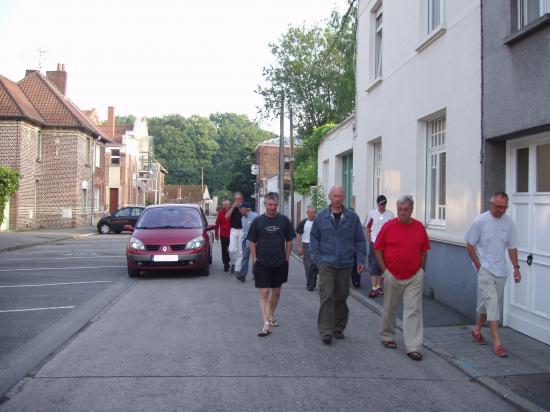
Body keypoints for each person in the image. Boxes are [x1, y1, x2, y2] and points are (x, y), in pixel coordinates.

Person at [465, 192, 521, 358]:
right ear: (491, 205)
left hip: (501, 271)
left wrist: (516, 268)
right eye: (498, 206)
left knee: (490, 304)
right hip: (485, 270)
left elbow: (512, 247)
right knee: (493, 304)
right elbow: (470, 244)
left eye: (504, 207)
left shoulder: (509, 222)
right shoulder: (480, 221)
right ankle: (498, 344)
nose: (501, 210)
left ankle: (476, 330)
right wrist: (478, 265)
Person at [374, 195, 430, 361]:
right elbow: (378, 249)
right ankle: (387, 336)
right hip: (392, 274)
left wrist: (421, 269)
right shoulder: (388, 227)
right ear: (397, 209)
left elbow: (424, 249)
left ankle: (413, 347)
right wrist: (385, 271)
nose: (403, 213)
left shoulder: (419, 227)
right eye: (400, 209)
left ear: (412, 210)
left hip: (414, 276)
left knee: (413, 310)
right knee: (389, 307)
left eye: (406, 210)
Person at [310, 186, 366, 345]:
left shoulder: (352, 218)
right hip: (326, 263)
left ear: (344, 197)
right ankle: (326, 330)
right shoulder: (321, 217)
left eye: (340, 196)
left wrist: (361, 260)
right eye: (334, 196)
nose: (337, 199)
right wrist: (317, 260)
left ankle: (338, 327)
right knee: (327, 296)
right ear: (329, 197)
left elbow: (360, 240)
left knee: (341, 297)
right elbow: (314, 240)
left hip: (345, 263)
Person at [247, 192, 295, 337]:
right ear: (265, 204)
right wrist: (255, 259)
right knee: (264, 293)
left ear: (278, 205)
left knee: (276, 292)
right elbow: (251, 242)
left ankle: (271, 313)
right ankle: (266, 323)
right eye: (270, 205)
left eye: (275, 205)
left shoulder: (284, 221)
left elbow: (289, 240)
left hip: (279, 262)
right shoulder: (258, 221)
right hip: (262, 263)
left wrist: (286, 258)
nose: (273, 208)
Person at [364, 195, 394, 297]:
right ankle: (374, 288)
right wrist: (369, 240)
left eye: (384, 204)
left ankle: (379, 287)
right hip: (374, 242)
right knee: (373, 264)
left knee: (383, 265)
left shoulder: (390, 215)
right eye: (381, 204)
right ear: (377, 204)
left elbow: (392, 230)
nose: (383, 206)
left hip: (385, 244)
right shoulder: (372, 213)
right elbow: (367, 228)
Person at [296, 206, 319, 291]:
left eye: (314, 212)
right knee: (308, 265)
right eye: (312, 212)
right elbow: (298, 235)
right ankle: (310, 284)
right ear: (307, 213)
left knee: (316, 265)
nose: (314, 214)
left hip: (317, 246)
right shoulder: (303, 223)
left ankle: (313, 279)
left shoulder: (318, 222)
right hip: (307, 245)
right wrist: (299, 247)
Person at [237, 202, 258, 282]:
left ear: (246, 209)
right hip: (245, 240)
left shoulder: (255, 217)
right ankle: (242, 275)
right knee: (245, 257)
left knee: (255, 258)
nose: (240, 210)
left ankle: (256, 273)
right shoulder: (242, 218)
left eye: (241, 208)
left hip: (254, 241)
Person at [225, 192, 244, 276]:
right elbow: (226, 216)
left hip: (242, 230)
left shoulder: (244, 206)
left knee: (240, 251)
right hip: (234, 230)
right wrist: (233, 207)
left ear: (242, 199)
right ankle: (233, 263)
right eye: (235, 199)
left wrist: (239, 207)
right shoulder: (232, 207)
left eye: (239, 199)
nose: (237, 200)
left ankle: (237, 269)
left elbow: (246, 214)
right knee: (232, 249)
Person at [215, 200, 231, 272]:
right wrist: (216, 234)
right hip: (223, 235)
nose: (227, 206)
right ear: (223, 205)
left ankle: (231, 261)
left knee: (231, 250)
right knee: (224, 250)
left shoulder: (232, 212)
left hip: (232, 234)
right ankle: (226, 264)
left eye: (228, 204)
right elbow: (217, 224)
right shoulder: (221, 213)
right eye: (226, 204)